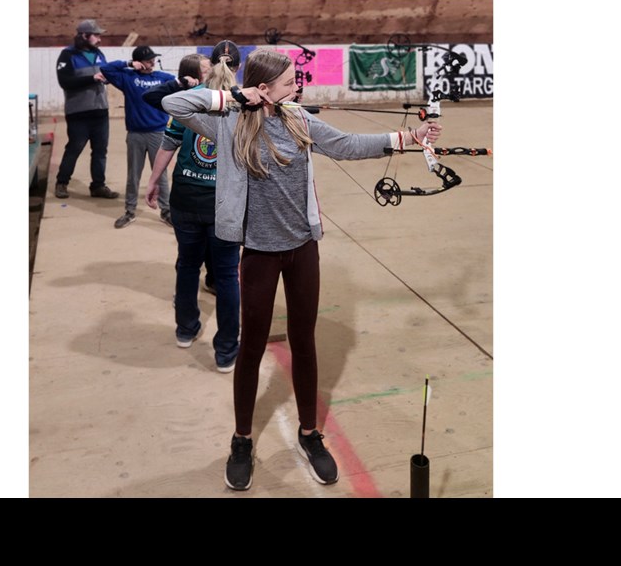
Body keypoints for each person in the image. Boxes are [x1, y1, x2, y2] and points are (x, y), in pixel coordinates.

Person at [162, 49, 442, 491]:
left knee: (304, 341)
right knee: (252, 347)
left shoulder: (297, 119)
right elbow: (173, 105)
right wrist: (234, 98)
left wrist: (407, 137)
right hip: (258, 252)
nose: (297, 86)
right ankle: (242, 439)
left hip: (302, 249)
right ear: (264, 87)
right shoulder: (228, 123)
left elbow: (347, 145)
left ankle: (310, 434)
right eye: (290, 81)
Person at [142, 42, 242, 372]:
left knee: (187, 265)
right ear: (237, 68)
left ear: (209, 66)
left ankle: (186, 329)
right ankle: (226, 350)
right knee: (227, 275)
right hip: (224, 203)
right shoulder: (246, 100)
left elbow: (169, 142)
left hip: (186, 197)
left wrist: (154, 180)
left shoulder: (191, 98)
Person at [100, 45, 177, 228]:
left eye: (153, 60)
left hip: (158, 133)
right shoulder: (128, 77)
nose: (152, 62)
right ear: (138, 62)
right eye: (148, 60)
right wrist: (128, 64)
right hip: (135, 133)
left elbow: (179, 83)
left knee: (161, 176)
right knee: (133, 175)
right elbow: (106, 69)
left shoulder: (163, 78)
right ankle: (130, 211)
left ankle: (166, 211)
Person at [54, 19, 119, 200]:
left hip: (100, 110)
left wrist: (107, 78)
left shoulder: (98, 53)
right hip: (78, 112)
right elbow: (64, 82)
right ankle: (62, 182)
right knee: (74, 147)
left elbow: (104, 74)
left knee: (100, 150)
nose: (99, 39)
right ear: (84, 35)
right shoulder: (67, 55)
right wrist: (93, 78)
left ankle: (98, 186)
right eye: (96, 35)